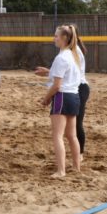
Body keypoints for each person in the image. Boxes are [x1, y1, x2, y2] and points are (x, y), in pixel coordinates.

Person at [35, 24, 90, 161]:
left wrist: (46, 98)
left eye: (56, 36)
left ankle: (71, 161)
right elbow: (67, 73)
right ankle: (77, 161)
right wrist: (50, 72)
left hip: (73, 90)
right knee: (71, 133)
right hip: (73, 90)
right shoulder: (70, 53)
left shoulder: (71, 53)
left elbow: (60, 82)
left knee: (65, 132)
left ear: (67, 36)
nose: (54, 38)